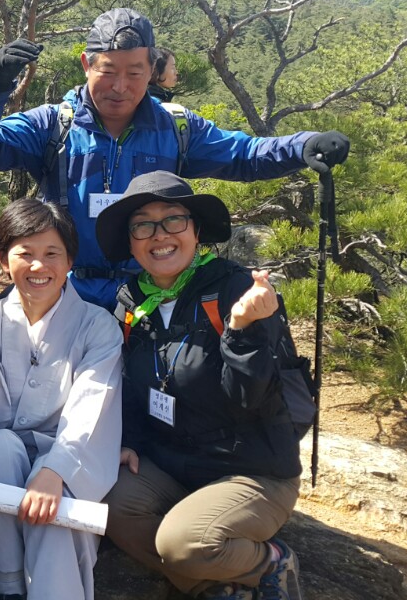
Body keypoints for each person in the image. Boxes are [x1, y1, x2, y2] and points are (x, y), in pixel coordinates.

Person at [0, 8, 352, 311]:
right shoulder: (52, 124)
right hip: (65, 296)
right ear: (86, 64)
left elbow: (243, 156)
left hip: (150, 297)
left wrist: (303, 145)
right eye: (108, 70)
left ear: (152, 70)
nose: (120, 86)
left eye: (135, 72)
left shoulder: (176, 128)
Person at [96, 171, 302, 600]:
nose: (160, 235)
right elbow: (130, 387)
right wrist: (129, 440)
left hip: (251, 469)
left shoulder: (235, 289)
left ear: (195, 229)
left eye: (173, 219)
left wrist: (243, 328)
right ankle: (214, 584)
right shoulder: (132, 301)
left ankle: (270, 561)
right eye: (143, 225)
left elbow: (252, 401)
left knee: (184, 543)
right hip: (173, 464)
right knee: (108, 505)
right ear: (131, 241)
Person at [0, 198, 123, 600]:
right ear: (4, 260)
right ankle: (6, 586)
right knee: (2, 447)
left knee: (52, 504)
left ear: (71, 260)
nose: (39, 266)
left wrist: (57, 469)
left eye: (52, 254)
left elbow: (92, 405)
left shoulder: (97, 326)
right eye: (25, 253)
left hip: (65, 456)